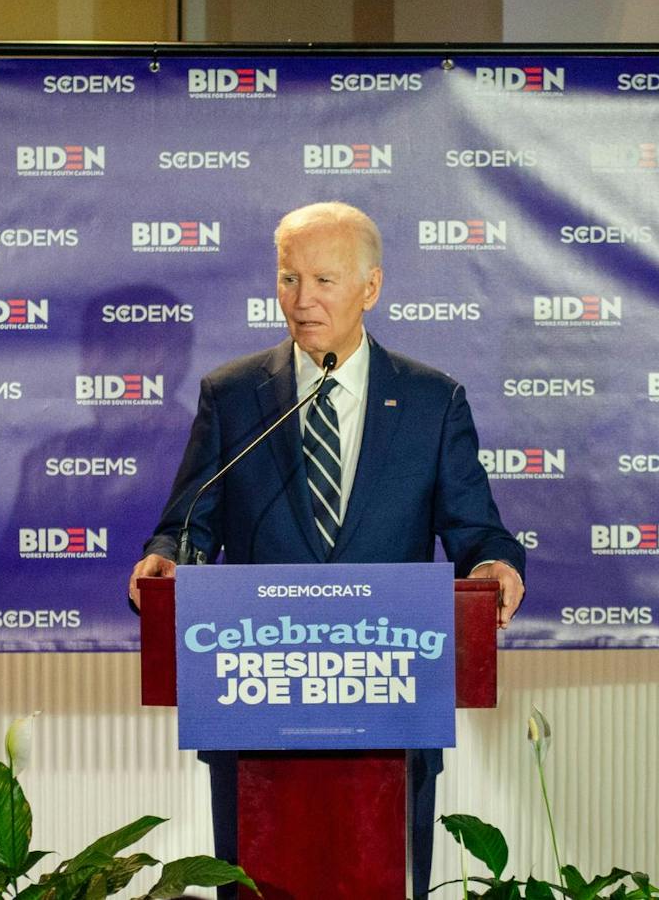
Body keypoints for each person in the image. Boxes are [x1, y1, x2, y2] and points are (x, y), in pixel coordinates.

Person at [128, 200, 526, 899]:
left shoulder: (434, 402)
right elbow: (193, 519)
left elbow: (476, 532)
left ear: (371, 287)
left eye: (323, 280)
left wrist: (494, 564)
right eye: (288, 279)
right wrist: (169, 555)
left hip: (389, 712)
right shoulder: (234, 395)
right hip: (258, 713)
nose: (301, 299)